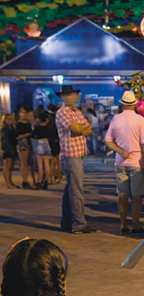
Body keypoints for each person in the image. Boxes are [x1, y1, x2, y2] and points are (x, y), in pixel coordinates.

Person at [104, 90, 144, 236]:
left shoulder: (116, 119)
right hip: (138, 162)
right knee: (136, 197)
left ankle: (123, 225)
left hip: (120, 162)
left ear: (122, 103)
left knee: (122, 195)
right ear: (134, 104)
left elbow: (108, 141)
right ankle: (135, 225)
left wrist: (120, 150)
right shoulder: (140, 120)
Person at [55, 85, 96, 234]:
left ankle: (66, 223)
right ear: (62, 97)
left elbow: (89, 129)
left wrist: (82, 128)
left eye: (71, 94)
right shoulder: (61, 112)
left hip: (78, 154)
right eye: (67, 95)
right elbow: (77, 129)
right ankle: (79, 224)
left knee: (70, 189)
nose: (70, 97)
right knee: (76, 190)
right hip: (70, 154)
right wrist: (81, 128)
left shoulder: (76, 111)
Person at [31, 111, 52, 190]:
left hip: (39, 144)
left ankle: (39, 182)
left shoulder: (37, 127)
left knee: (40, 165)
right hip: (47, 144)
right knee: (47, 164)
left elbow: (32, 137)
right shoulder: (48, 127)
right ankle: (46, 181)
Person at [15, 107, 33, 189]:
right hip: (22, 144)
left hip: (29, 143)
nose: (24, 114)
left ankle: (28, 180)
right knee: (24, 163)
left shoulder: (29, 123)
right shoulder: (19, 124)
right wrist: (28, 134)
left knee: (28, 163)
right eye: (22, 113)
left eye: (25, 113)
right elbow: (17, 136)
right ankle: (25, 181)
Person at [1, 113, 18, 189]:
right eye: (7, 119)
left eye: (10, 118)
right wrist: (10, 148)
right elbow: (5, 140)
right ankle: (8, 184)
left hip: (12, 148)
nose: (9, 120)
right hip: (7, 149)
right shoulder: (5, 128)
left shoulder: (11, 127)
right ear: (4, 120)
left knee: (10, 167)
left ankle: (10, 182)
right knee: (7, 167)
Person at [47, 103, 62, 184]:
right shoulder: (57, 120)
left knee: (51, 161)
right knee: (58, 161)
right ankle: (58, 177)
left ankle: (50, 178)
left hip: (50, 141)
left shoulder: (48, 121)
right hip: (57, 141)